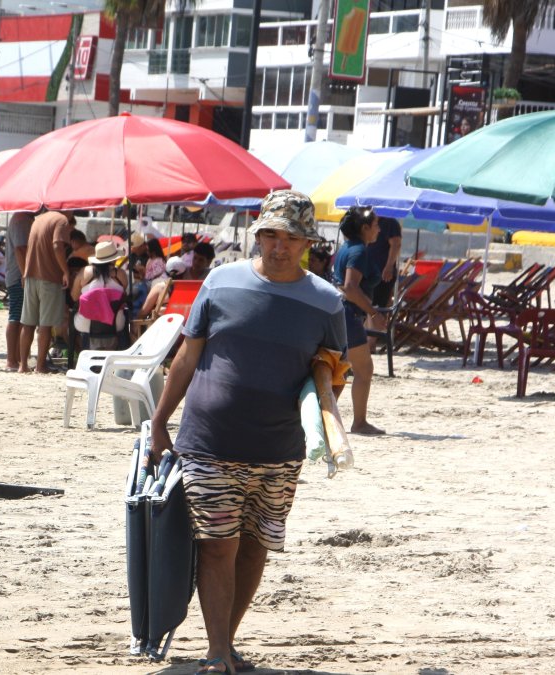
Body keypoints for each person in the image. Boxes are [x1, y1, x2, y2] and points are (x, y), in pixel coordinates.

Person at [149, 190, 347, 675]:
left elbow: (333, 374)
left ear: (307, 244)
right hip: (209, 441)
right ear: (257, 235)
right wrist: (158, 423)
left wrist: (323, 420)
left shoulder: (326, 302)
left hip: (280, 450)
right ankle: (217, 653)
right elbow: (187, 357)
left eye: (291, 238)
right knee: (217, 544)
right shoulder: (220, 282)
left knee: (255, 544)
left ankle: (225, 641)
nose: (279, 247)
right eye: (271, 235)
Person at [333, 206, 386, 436]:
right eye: (375, 225)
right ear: (365, 228)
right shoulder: (359, 252)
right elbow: (350, 288)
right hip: (347, 314)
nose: (379, 229)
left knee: (340, 371)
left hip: (337, 312)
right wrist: (374, 313)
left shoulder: (346, 248)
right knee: (364, 369)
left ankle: (327, 420)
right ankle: (359, 422)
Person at [19, 209, 73, 374]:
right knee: (45, 325)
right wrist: (65, 271)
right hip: (49, 277)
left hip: (30, 276)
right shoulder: (61, 220)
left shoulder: (39, 219)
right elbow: (57, 245)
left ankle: (23, 365)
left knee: (28, 323)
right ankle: (40, 366)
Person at [71, 241, 128, 350]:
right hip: (115, 324)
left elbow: (74, 297)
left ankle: (83, 354)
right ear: (114, 258)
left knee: (70, 318)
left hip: (86, 324)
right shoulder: (121, 274)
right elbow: (120, 296)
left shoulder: (85, 272)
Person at [3, 211, 33, 371]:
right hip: (18, 276)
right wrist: (25, 274)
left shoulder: (23, 219)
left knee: (20, 317)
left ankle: (16, 359)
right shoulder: (21, 220)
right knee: (16, 316)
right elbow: (20, 249)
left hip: (17, 275)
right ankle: (12, 360)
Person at [368, 216, 403, 312]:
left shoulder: (390, 222)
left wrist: (389, 266)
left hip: (382, 272)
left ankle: (377, 327)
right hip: (369, 272)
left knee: (377, 308)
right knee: (368, 307)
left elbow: (396, 244)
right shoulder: (370, 221)